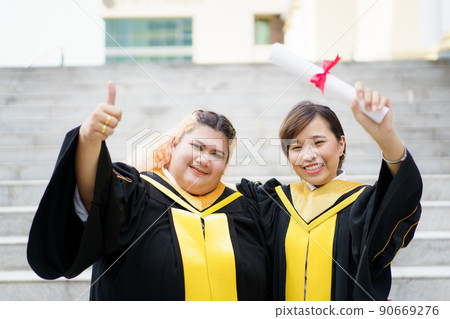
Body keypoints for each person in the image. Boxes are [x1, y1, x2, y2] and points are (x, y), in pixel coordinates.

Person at [27, 81, 270, 301]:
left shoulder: (247, 210)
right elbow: (95, 196)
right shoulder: (137, 195)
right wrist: (89, 139)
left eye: (217, 154)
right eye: (197, 146)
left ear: (225, 165)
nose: (204, 159)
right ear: (173, 146)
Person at [237, 82, 422, 301]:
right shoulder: (275, 204)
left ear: (341, 144)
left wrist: (385, 135)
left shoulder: (363, 205)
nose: (308, 155)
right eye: (296, 147)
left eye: (318, 143)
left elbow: (401, 194)